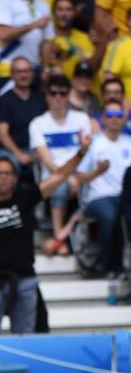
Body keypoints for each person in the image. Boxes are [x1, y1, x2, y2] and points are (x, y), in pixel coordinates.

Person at [0, 138, 95, 334]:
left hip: (24, 281)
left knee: (25, 339)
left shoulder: (26, 198)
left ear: (15, 179)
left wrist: (81, 154)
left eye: (8, 174)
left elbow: (58, 176)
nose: (4, 178)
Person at [28, 74, 95, 255]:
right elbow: (46, 159)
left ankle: (58, 239)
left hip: (82, 173)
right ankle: (60, 235)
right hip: (54, 176)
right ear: (46, 96)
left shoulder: (82, 119)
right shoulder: (38, 123)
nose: (58, 97)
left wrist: (76, 176)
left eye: (62, 93)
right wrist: (68, 176)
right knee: (59, 184)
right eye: (53, 93)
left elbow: (87, 153)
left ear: (68, 95)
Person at [75, 101, 131, 277]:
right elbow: (79, 177)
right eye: (110, 115)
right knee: (110, 217)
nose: (115, 119)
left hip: (126, 197)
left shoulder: (129, 142)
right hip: (99, 197)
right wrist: (98, 172)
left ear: (124, 119)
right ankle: (109, 266)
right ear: (103, 119)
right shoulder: (93, 144)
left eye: (119, 115)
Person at [0, 0, 53, 87]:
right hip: (7, 70)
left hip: (33, 71)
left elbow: (47, 41)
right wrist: (33, 25)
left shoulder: (44, 4)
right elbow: (3, 35)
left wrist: (45, 69)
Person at [0, 56, 48, 183]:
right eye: (19, 71)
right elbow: (2, 134)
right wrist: (19, 155)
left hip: (38, 149)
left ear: (32, 74)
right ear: (12, 75)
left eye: (27, 71)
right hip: (11, 151)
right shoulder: (3, 101)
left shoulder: (41, 99)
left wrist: (39, 153)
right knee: (6, 167)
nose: (23, 75)